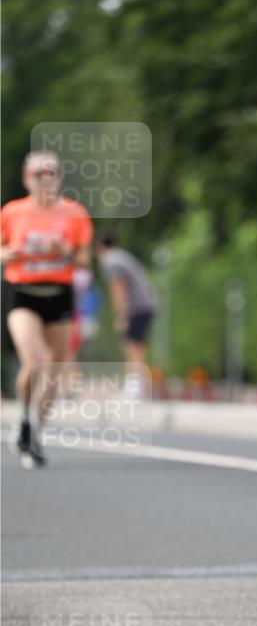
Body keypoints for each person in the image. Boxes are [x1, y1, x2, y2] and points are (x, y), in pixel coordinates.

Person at [1, 150, 94, 467]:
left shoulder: (75, 213)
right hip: (23, 292)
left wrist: (65, 251)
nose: (46, 179)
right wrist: (8, 255)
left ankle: (34, 428)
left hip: (59, 293)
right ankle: (24, 418)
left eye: (52, 172)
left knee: (54, 371)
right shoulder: (12, 212)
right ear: (27, 178)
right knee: (35, 360)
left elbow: (84, 260)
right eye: (40, 173)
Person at [96, 235, 158, 378]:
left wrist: (121, 315)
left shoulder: (110, 261)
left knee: (131, 345)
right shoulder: (121, 256)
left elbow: (118, 288)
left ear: (100, 247)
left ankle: (134, 382)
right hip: (147, 304)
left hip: (136, 307)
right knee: (138, 345)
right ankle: (140, 381)